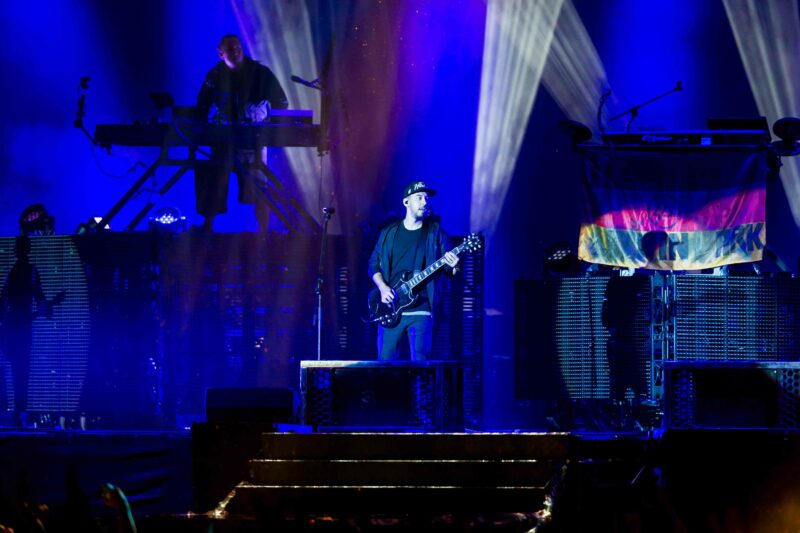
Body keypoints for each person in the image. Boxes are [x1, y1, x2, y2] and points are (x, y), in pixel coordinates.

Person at [194, 34, 289, 233]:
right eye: (231, 49)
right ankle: (207, 227)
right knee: (212, 182)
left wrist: (264, 116)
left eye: (238, 47)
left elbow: (282, 103)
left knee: (259, 188)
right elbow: (202, 106)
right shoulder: (214, 76)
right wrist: (201, 128)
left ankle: (264, 234)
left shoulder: (261, 73)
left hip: (253, 141)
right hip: (223, 140)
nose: (236, 52)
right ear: (221, 54)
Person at [368, 181, 459, 360]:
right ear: (406, 202)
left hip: (422, 309)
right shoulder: (389, 233)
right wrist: (383, 288)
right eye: (419, 197)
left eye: (426, 198)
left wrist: (454, 265)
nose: (425, 202)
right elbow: (373, 264)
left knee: (421, 366)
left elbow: (450, 271)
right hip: (391, 308)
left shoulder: (436, 233)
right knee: (385, 364)